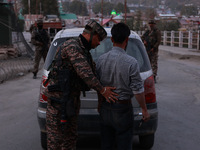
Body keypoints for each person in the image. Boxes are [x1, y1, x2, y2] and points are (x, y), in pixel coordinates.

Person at [45, 19, 118, 150]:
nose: (98, 44)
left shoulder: (85, 52)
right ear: (93, 35)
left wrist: (100, 99)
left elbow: (93, 74)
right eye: (98, 40)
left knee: (70, 138)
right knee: (55, 141)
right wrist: (103, 91)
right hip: (58, 103)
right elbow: (85, 73)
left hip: (71, 102)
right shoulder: (72, 47)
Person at [96, 23, 150, 150]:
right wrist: (144, 109)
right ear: (127, 39)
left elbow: (98, 85)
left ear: (112, 39)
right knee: (124, 144)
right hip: (123, 109)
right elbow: (137, 89)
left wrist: (100, 104)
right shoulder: (131, 62)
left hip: (105, 107)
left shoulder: (101, 60)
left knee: (106, 144)